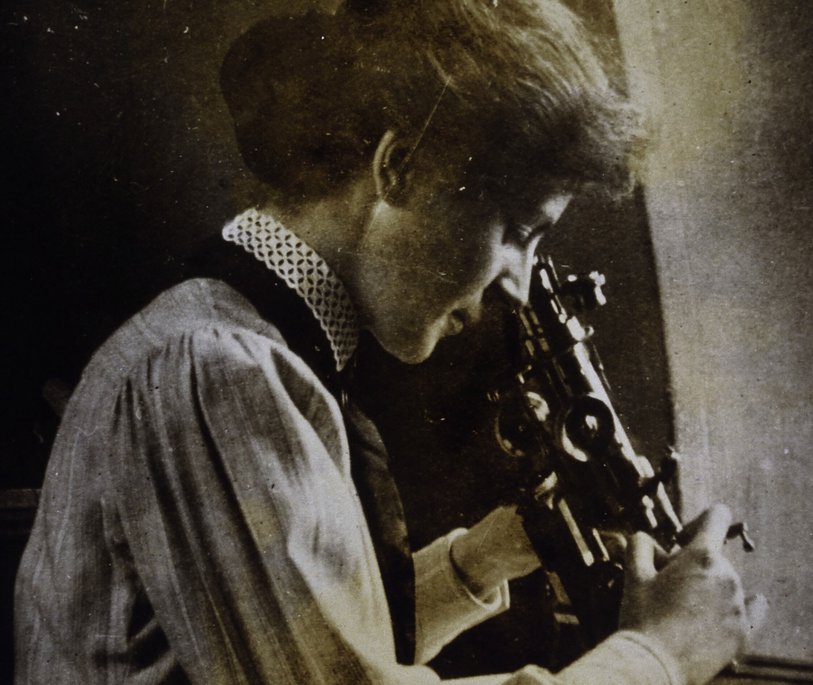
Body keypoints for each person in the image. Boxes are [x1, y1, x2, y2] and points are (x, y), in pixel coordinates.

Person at [14, 1, 764, 683]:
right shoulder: (217, 369)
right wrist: (657, 655)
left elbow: (314, 642)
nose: (517, 283)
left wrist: (494, 550)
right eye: (518, 232)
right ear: (399, 167)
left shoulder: (230, 345)